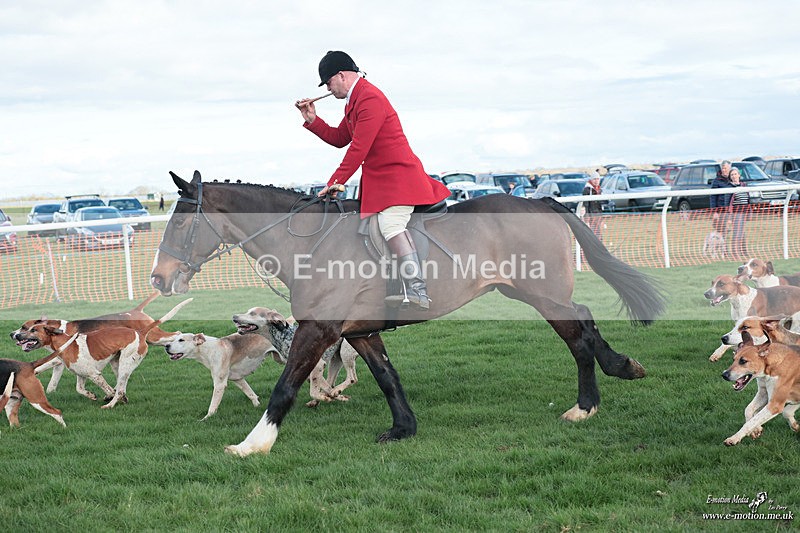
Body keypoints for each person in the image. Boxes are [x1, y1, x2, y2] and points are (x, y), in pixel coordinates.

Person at [296, 51, 450, 310]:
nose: (329, 89)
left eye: (328, 83)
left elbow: (359, 148)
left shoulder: (369, 98)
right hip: (382, 183)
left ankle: (417, 289)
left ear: (341, 75)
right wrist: (312, 120)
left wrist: (336, 181)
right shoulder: (355, 100)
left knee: (390, 225)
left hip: (400, 180)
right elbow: (338, 138)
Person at [726, 167, 750, 258]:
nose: (734, 176)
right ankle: (735, 252)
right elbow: (728, 202)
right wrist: (729, 216)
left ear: (739, 175)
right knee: (737, 233)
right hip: (736, 213)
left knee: (742, 233)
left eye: (735, 174)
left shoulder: (744, 185)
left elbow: (748, 199)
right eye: (732, 175)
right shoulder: (730, 187)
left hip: (744, 213)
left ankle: (743, 251)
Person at [709, 160, 733, 233]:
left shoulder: (733, 179)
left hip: (732, 211)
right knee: (721, 232)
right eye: (723, 168)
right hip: (721, 211)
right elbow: (713, 197)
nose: (725, 170)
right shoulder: (716, 181)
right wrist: (714, 212)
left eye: (727, 168)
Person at [582, 170, 603, 239]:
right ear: (591, 180)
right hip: (591, 217)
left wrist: (601, 218)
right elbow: (586, 205)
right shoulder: (587, 190)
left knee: (599, 234)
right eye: (594, 179)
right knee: (592, 235)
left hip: (598, 216)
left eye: (598, 179)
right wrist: (587, 220)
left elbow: (599, 205)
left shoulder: (599, 190)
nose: (596, 181)